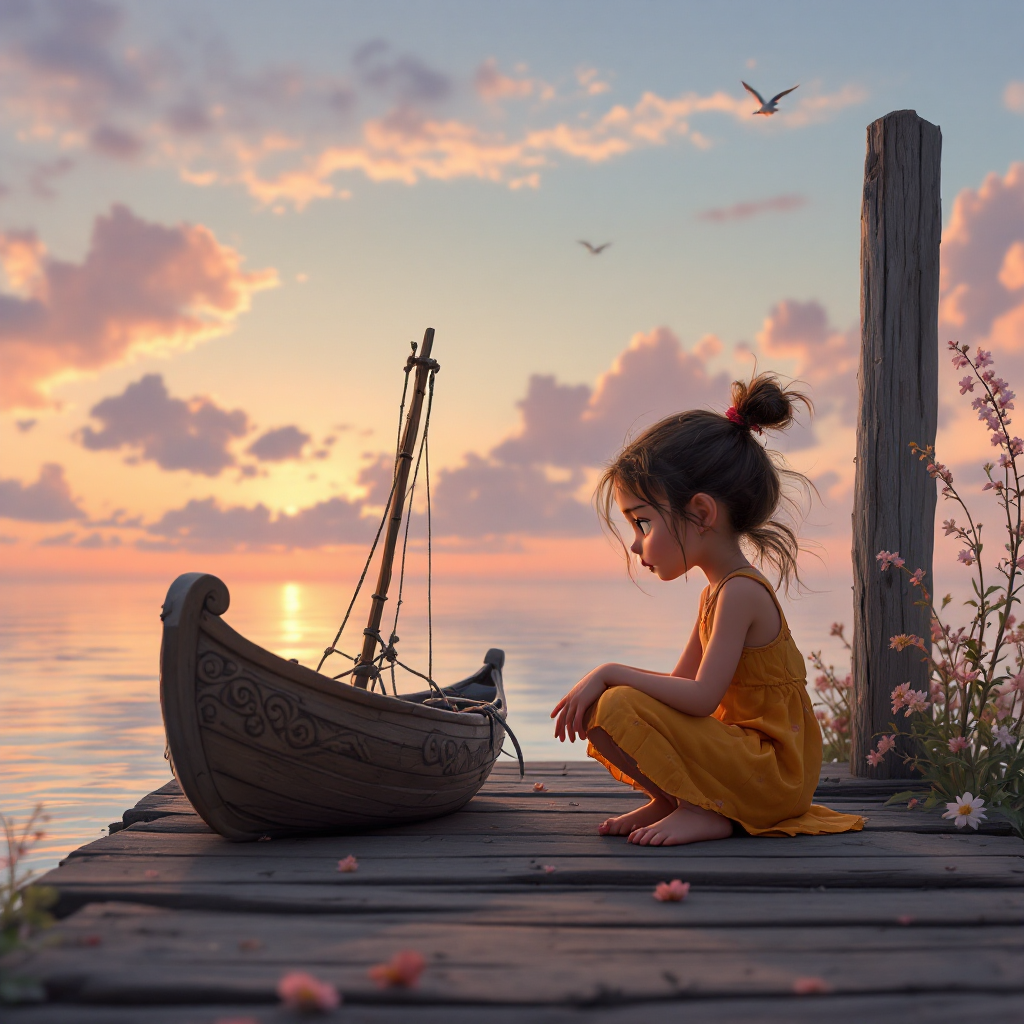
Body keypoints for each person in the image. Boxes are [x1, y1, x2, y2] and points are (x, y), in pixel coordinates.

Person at [551, 372, 864, 846]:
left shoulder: (741, 592)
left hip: (772, 776)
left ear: (700, 513)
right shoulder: (715, 593)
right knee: (609, 705)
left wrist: (610, 670)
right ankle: (673, 799)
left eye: (642, 523)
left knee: (614, 697)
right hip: (742, 761)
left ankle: (705, 811)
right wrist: (605, 682)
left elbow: (700, 698)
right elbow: (677, 688)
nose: (636, 546)